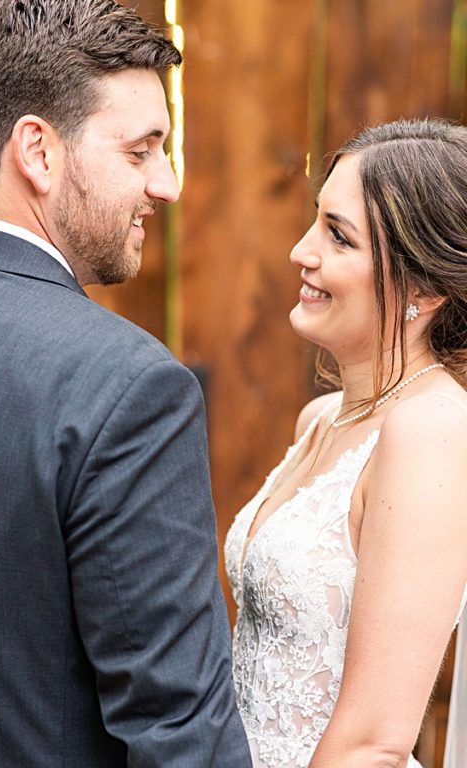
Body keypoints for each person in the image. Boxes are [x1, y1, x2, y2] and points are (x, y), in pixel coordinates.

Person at [0, 1, 251, 765]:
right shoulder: (129, 388)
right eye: (141, 151)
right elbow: (180, 730)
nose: (168, 184)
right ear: (39, 152)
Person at [224, 118, 467, 768]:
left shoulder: (433, 429)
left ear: (426, 287)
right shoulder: (321, 419)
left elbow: (375, 741)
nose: (302, 252)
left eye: (339, 236)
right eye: (316, 221)